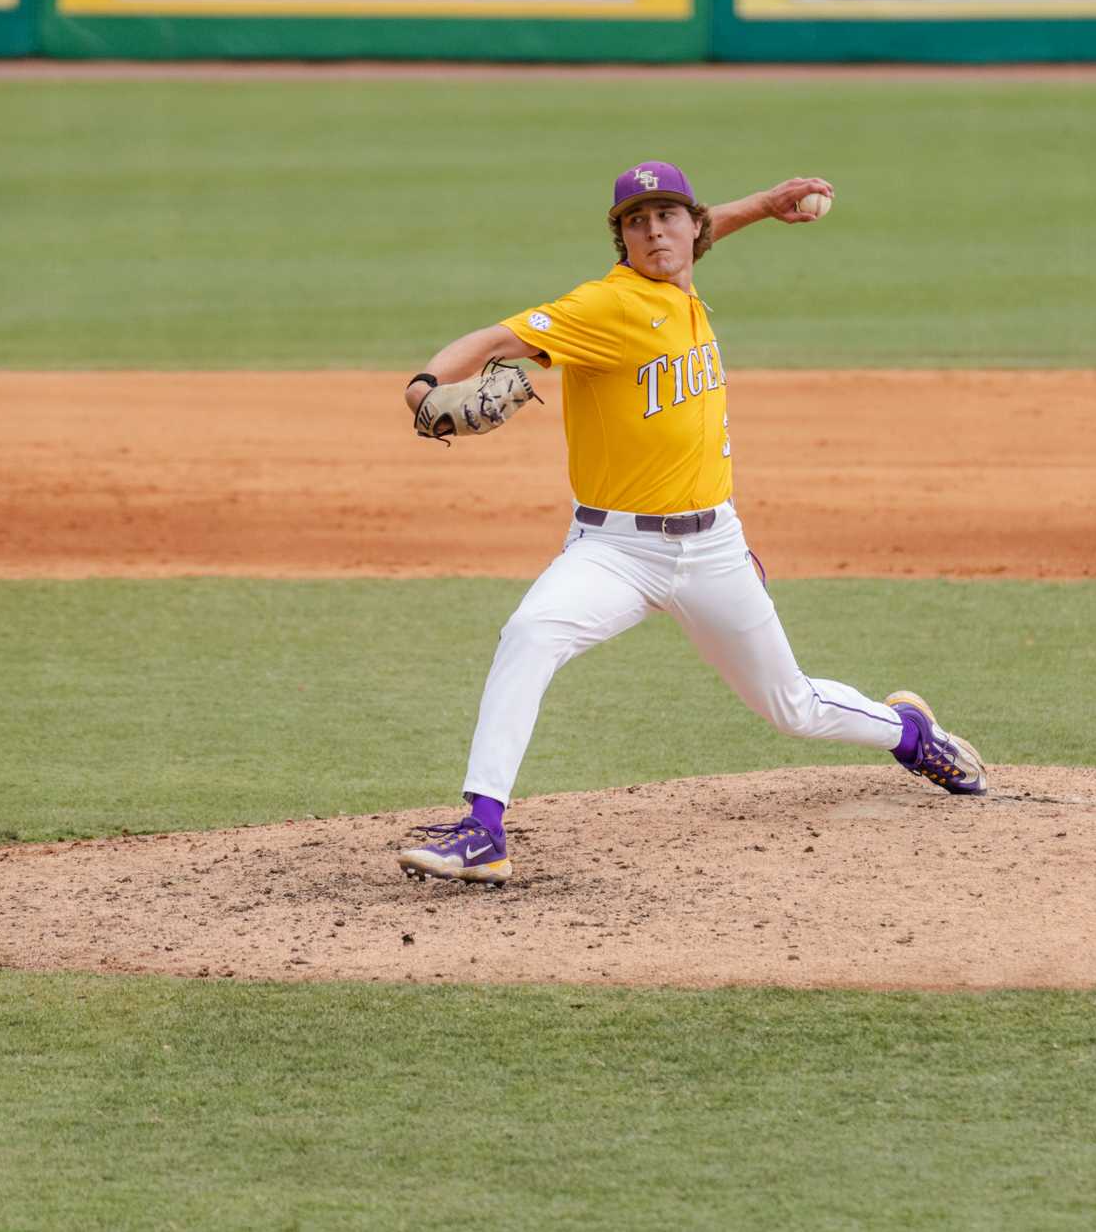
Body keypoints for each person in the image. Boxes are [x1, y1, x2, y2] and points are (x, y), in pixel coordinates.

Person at [396, 162, 987, 885]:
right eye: (638, 222)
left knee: (791, 705)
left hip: (715, 550)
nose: (655, 231)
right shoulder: (603, 308)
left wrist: (768, 206)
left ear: (690, 225)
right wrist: (424, 386)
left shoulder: (681, 282)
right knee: (530, 633)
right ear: (622, 239)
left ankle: (909, 734)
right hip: (612, 551)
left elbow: (707, 231)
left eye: (667, 216)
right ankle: (484, 827)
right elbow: (493, 340)